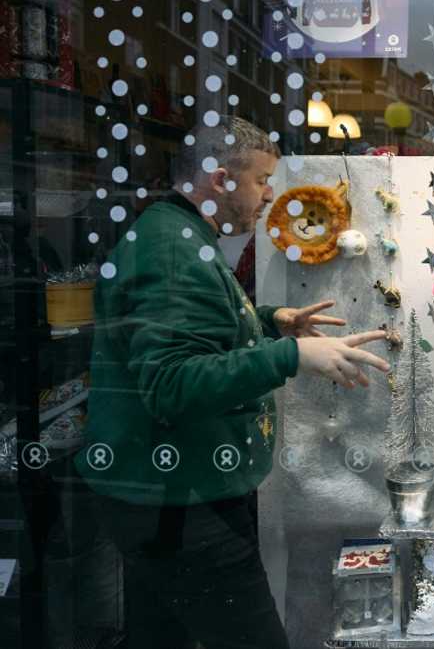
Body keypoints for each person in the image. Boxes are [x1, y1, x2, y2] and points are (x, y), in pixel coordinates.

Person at [75, 116, 388, 649]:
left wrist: (267, 322)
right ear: (220, 180)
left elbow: (186, 337)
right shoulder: (173, 250)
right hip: (180, 505)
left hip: (168, 496)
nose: (269, 195)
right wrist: (289, 355)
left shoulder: (175, 235)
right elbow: (172, 384)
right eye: (262, 180)